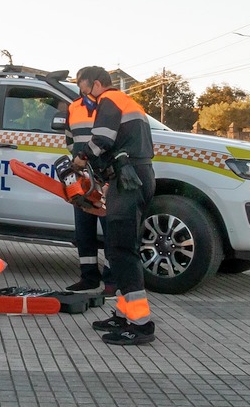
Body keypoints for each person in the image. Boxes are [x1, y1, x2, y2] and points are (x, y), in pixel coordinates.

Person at [72, 66, 156, 346]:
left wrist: (82, 158)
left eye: (86, 90)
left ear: (96, 84)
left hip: (128, 180)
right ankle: (123, 314)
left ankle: (140, 324)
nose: (87, 98)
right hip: (132, 176)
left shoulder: (109, 100)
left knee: (122, 250)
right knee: (119, 250)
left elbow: (102, 140)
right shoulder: (128, 102)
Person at [63, 78, 115, 295]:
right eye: (82, 90)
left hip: (105, 176)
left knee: (111, 231)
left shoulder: (108, 106)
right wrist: (77, 163)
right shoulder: (73, 107)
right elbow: (69, 140)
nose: (85, 94)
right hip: (82, 177)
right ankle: (89, 278)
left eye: (86, 88)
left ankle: (113, 282)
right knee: (84, 230)